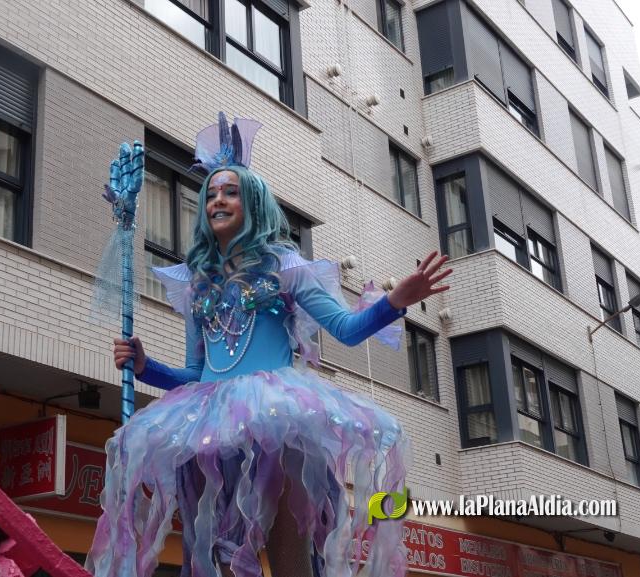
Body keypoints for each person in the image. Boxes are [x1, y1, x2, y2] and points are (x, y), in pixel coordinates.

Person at [86, 114, 451, 577]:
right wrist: (145, 367)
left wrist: (396, 301)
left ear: (253, 202)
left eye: (230, 191)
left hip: (280, 419)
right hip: (209, 423)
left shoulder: (287, 268)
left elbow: (345, 329)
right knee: (214, 545)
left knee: (289, 553)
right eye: (211, 194)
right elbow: (196, 375)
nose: (218, 199)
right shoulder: (197, 284)